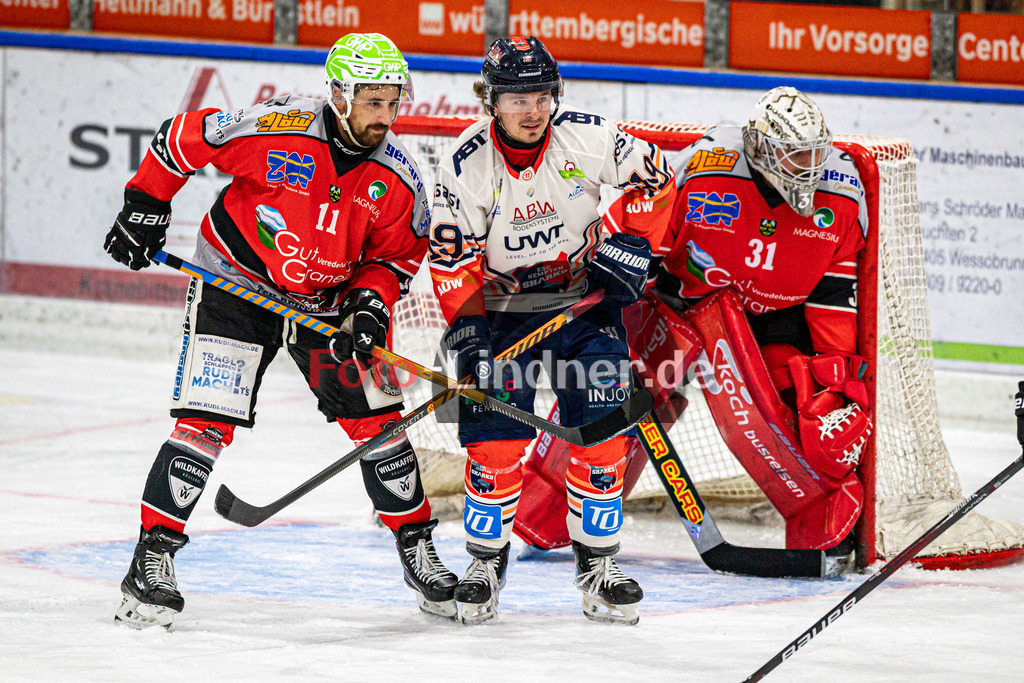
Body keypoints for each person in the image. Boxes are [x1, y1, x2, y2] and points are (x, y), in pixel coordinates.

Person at [104, 32, 458, 629]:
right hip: (235, 285)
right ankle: (152, 559)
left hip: (326, 305)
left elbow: (394, 257)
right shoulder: (278, 126)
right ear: (340, 96)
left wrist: (368, 305)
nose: (386, 115)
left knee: (380, 425)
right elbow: (179, 139)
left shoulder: (398, 178)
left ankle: (417, 550)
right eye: (373, 100)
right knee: (205, 423)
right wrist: (145, 205)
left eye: (394, 100)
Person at [514, 86, 872, 570]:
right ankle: (549, 508)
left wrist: (838, 381)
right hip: (675, 304)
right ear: (762, 148)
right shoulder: (707, 166)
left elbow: (834, 291)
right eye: (793, 156)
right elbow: (639, 224)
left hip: (771, 322)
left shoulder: (843, 193)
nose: (807, 167)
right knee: (608, 398)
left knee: (804, 418)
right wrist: (620, 276)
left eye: (813, 154)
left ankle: (823, 520)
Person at [428, 35, 675, 625]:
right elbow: (450, 260)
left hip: (585, 302)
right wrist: (468, 339)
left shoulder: (587, 135)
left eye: (541, 95)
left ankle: (597, 568)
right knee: (495, 440)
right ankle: (487, 563)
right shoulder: (464, 164)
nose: (532, 109)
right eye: (517, 97)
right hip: (503, 310)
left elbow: (658, 179)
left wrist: (635, 245)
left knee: (604, 428)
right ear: (491, 100)